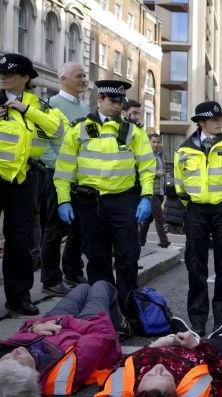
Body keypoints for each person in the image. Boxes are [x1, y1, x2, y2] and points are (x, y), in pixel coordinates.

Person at [0, 54, 66, 320]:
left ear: (26, 77)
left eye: (10, 73)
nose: (4, 77)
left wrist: (25, 110)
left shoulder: (39, 106)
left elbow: (57, 129)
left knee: (20, 243)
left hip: (24, 179)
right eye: (1, 73)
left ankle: (19, 299)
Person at [54, 80, 155, 308]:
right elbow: (64, 169)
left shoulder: (132, 130)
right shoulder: (78, 128)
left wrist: (146, 197)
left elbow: (147, 167)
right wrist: (63, 200)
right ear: (99, 99)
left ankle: (128, 310)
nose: (118, 106)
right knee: (97, 258)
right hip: (89, 201)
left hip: (123, 200)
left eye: (121, 102)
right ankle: (103, 311)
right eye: (113, 101)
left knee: (128, 257)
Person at [0, 281, 123, 397]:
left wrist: (34, 327)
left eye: (6, 358)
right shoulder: (68, 368)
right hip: (88, 324)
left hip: (54, 321)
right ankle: (121, 324)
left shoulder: (2, 365)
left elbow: (23, 331)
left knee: (83, 287)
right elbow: (101, 333)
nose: (14, 352)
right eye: (19, 361)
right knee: (102, 285)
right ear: (33, 375)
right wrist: (65, 321)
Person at [174, 100, 222, 339]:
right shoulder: (185, 149)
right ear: (201, 122)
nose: (219, 122)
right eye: (214, 119)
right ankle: (197, 322)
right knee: (196, 267)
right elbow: (180, 183)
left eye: (220, 118)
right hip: (196, 210)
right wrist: (191, 205)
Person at [95, 315, 222, 397]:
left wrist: (153, 345)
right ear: (176, 394)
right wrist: (195, 345)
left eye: (149, 375)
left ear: (137, 390)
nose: (159, 367)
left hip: (165, 345)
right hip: (198, 352)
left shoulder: (123, 387)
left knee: (178, 336)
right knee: (217, 346)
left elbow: (121, 364)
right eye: (165, 375)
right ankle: (220, 335)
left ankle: (182, 333)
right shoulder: (195, 395)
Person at [41, 61, 89, 296]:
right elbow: (43, 145)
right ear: (63, 79)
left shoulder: (86, 108)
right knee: (55, 228)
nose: (84, 79)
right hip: (58, 177)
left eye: (84, 76)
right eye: (79, 76)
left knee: (79, 227)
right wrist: (60, 168)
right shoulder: (50, 106)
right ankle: (50, 278)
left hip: (82, 179)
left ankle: (73, 270)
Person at [138, 133, 171, 248]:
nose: (156, 144)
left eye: (158, 142)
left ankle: (140, 241)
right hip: (151, 191)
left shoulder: (159, 155)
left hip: (160, 191)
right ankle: (164, 241)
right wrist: (155, 173)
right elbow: (140, 171)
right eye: (153, 142)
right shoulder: (145, 155)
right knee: (159, 217)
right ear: (149, 142)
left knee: (148, 219)